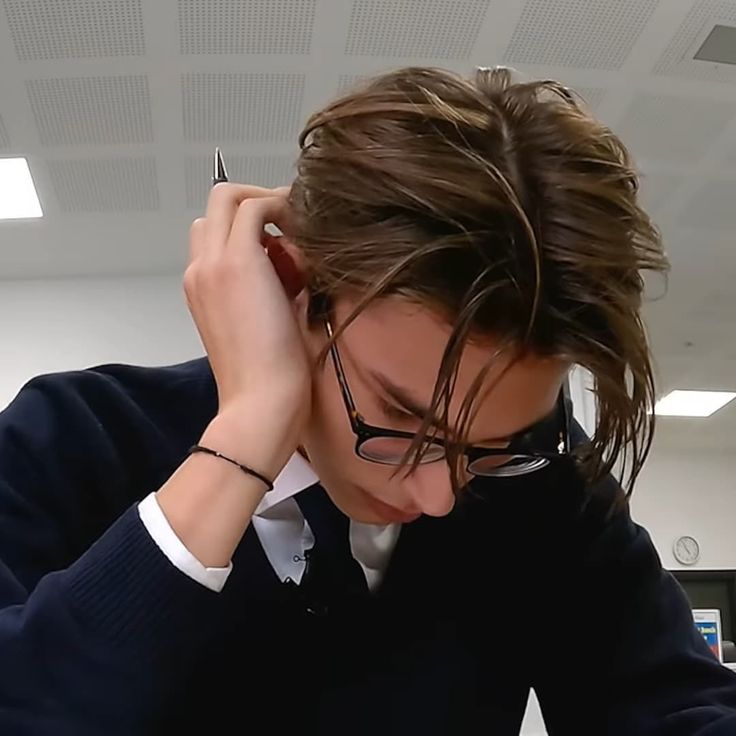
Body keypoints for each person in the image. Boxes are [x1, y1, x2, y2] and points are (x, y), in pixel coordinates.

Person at [0, 65, 734, 736]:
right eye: (400, 417)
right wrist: (247, 432)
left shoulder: (541, 472)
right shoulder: (68, 437)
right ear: (290, 284)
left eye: (485, 447)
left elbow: (675, 705)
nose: (441, 496)